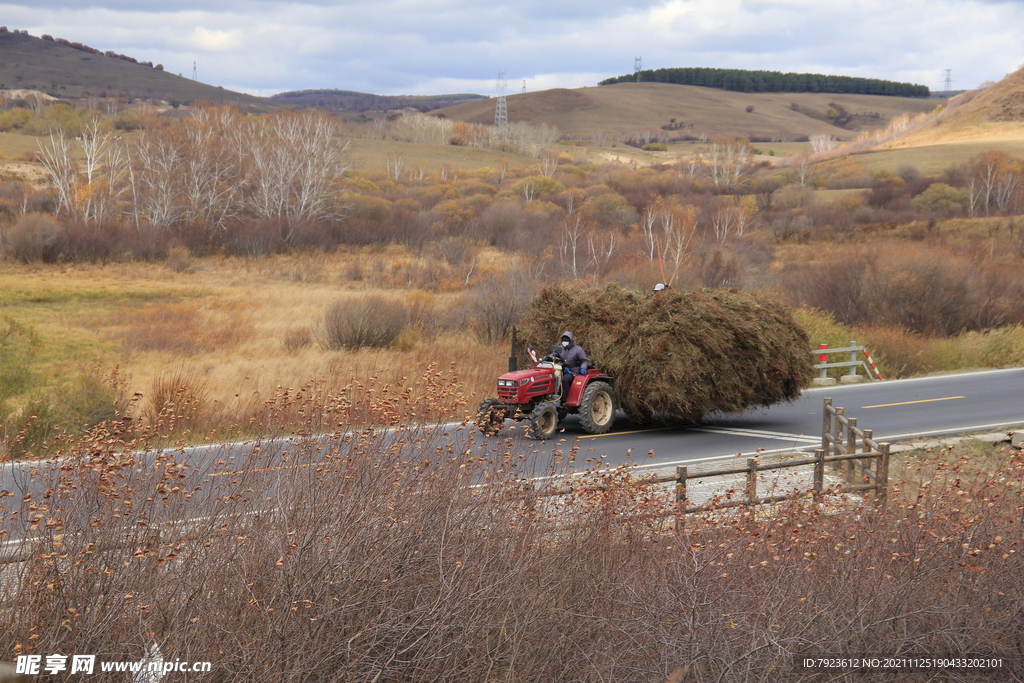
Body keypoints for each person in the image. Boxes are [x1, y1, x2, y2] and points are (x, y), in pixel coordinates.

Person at [551, 331, 589, 398]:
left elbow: (584, 361)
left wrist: (583, 368)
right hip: (564, 369)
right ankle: (554, 395)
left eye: (566, 340)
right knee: (553, 378)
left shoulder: (578, 350)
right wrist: (546, 357)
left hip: (574, 370)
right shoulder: (560, 348)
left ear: (570, 340)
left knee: (565, 380)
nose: (564, 342)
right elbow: (553, 355)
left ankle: (566, 398)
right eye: (563, 340)